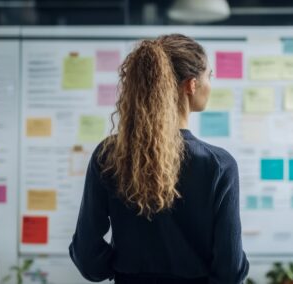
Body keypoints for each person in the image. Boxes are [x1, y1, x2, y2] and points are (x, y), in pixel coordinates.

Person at [69, 33, 249, 284]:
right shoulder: (218, 165)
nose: (211, 84)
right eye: (210, 76)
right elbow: (230, 270)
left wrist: (122, 268)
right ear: (191, 84)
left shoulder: (109, 155)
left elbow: (87, 256)